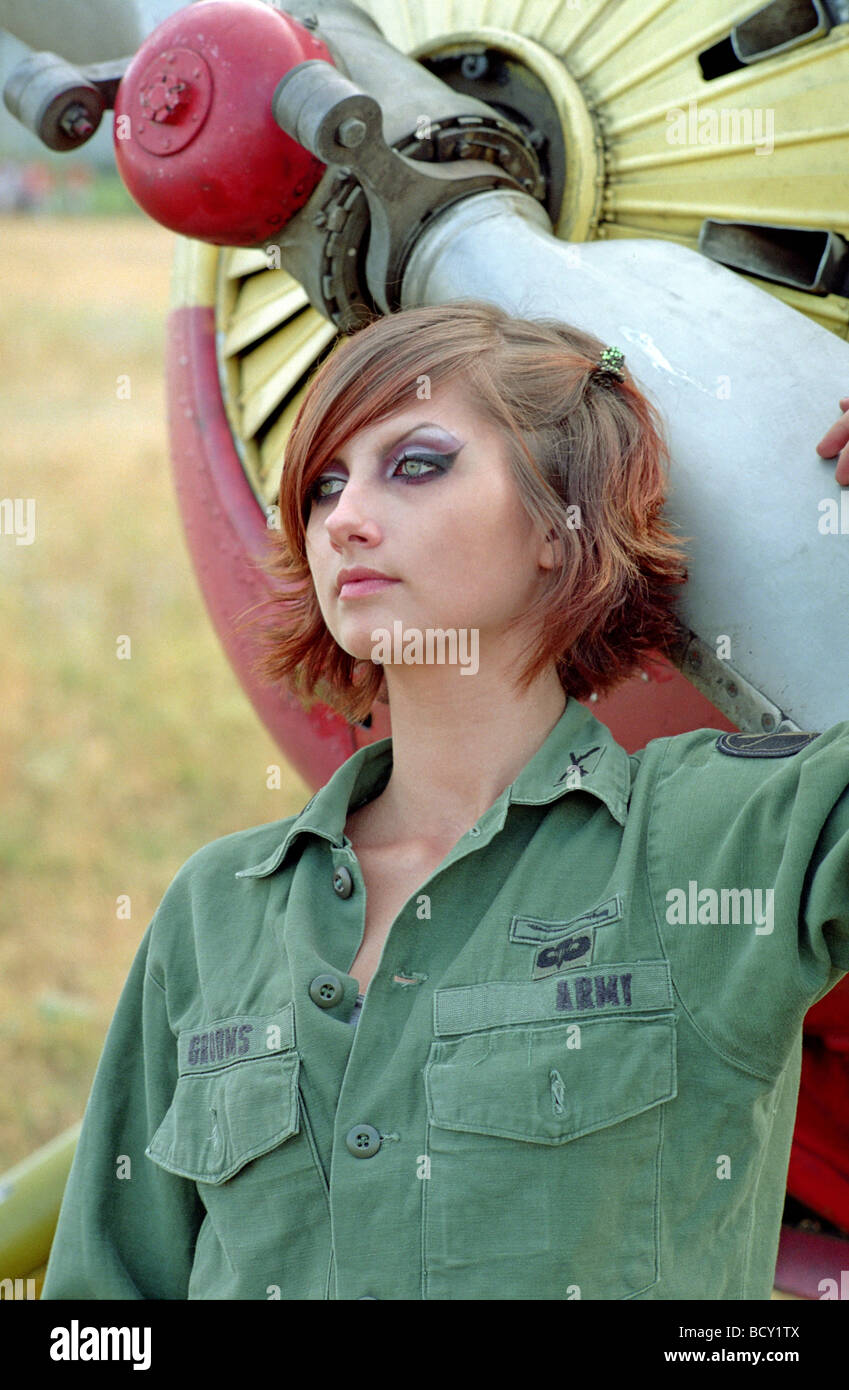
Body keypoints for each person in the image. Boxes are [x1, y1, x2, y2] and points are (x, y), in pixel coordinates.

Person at [42, 300, 849, 1301]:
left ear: (560, 523)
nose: (345, 519)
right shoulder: (215, 910)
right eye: (324, 485)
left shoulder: (709, 840)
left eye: (415, 464)